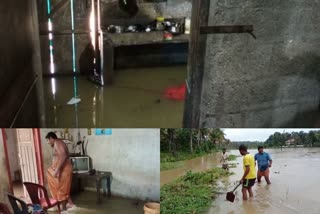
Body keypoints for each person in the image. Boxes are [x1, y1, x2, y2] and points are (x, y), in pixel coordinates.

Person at [46, 132, 73, 212]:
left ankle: (64, 209)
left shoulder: (57, 142)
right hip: (63, 169)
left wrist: (57, 170)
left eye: (48, 140)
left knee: (62, 189)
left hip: (64, 170)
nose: (48, 142)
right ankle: (68, 204)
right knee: (62, 187)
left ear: (51, 138)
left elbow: (63, 155)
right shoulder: (59, 142)